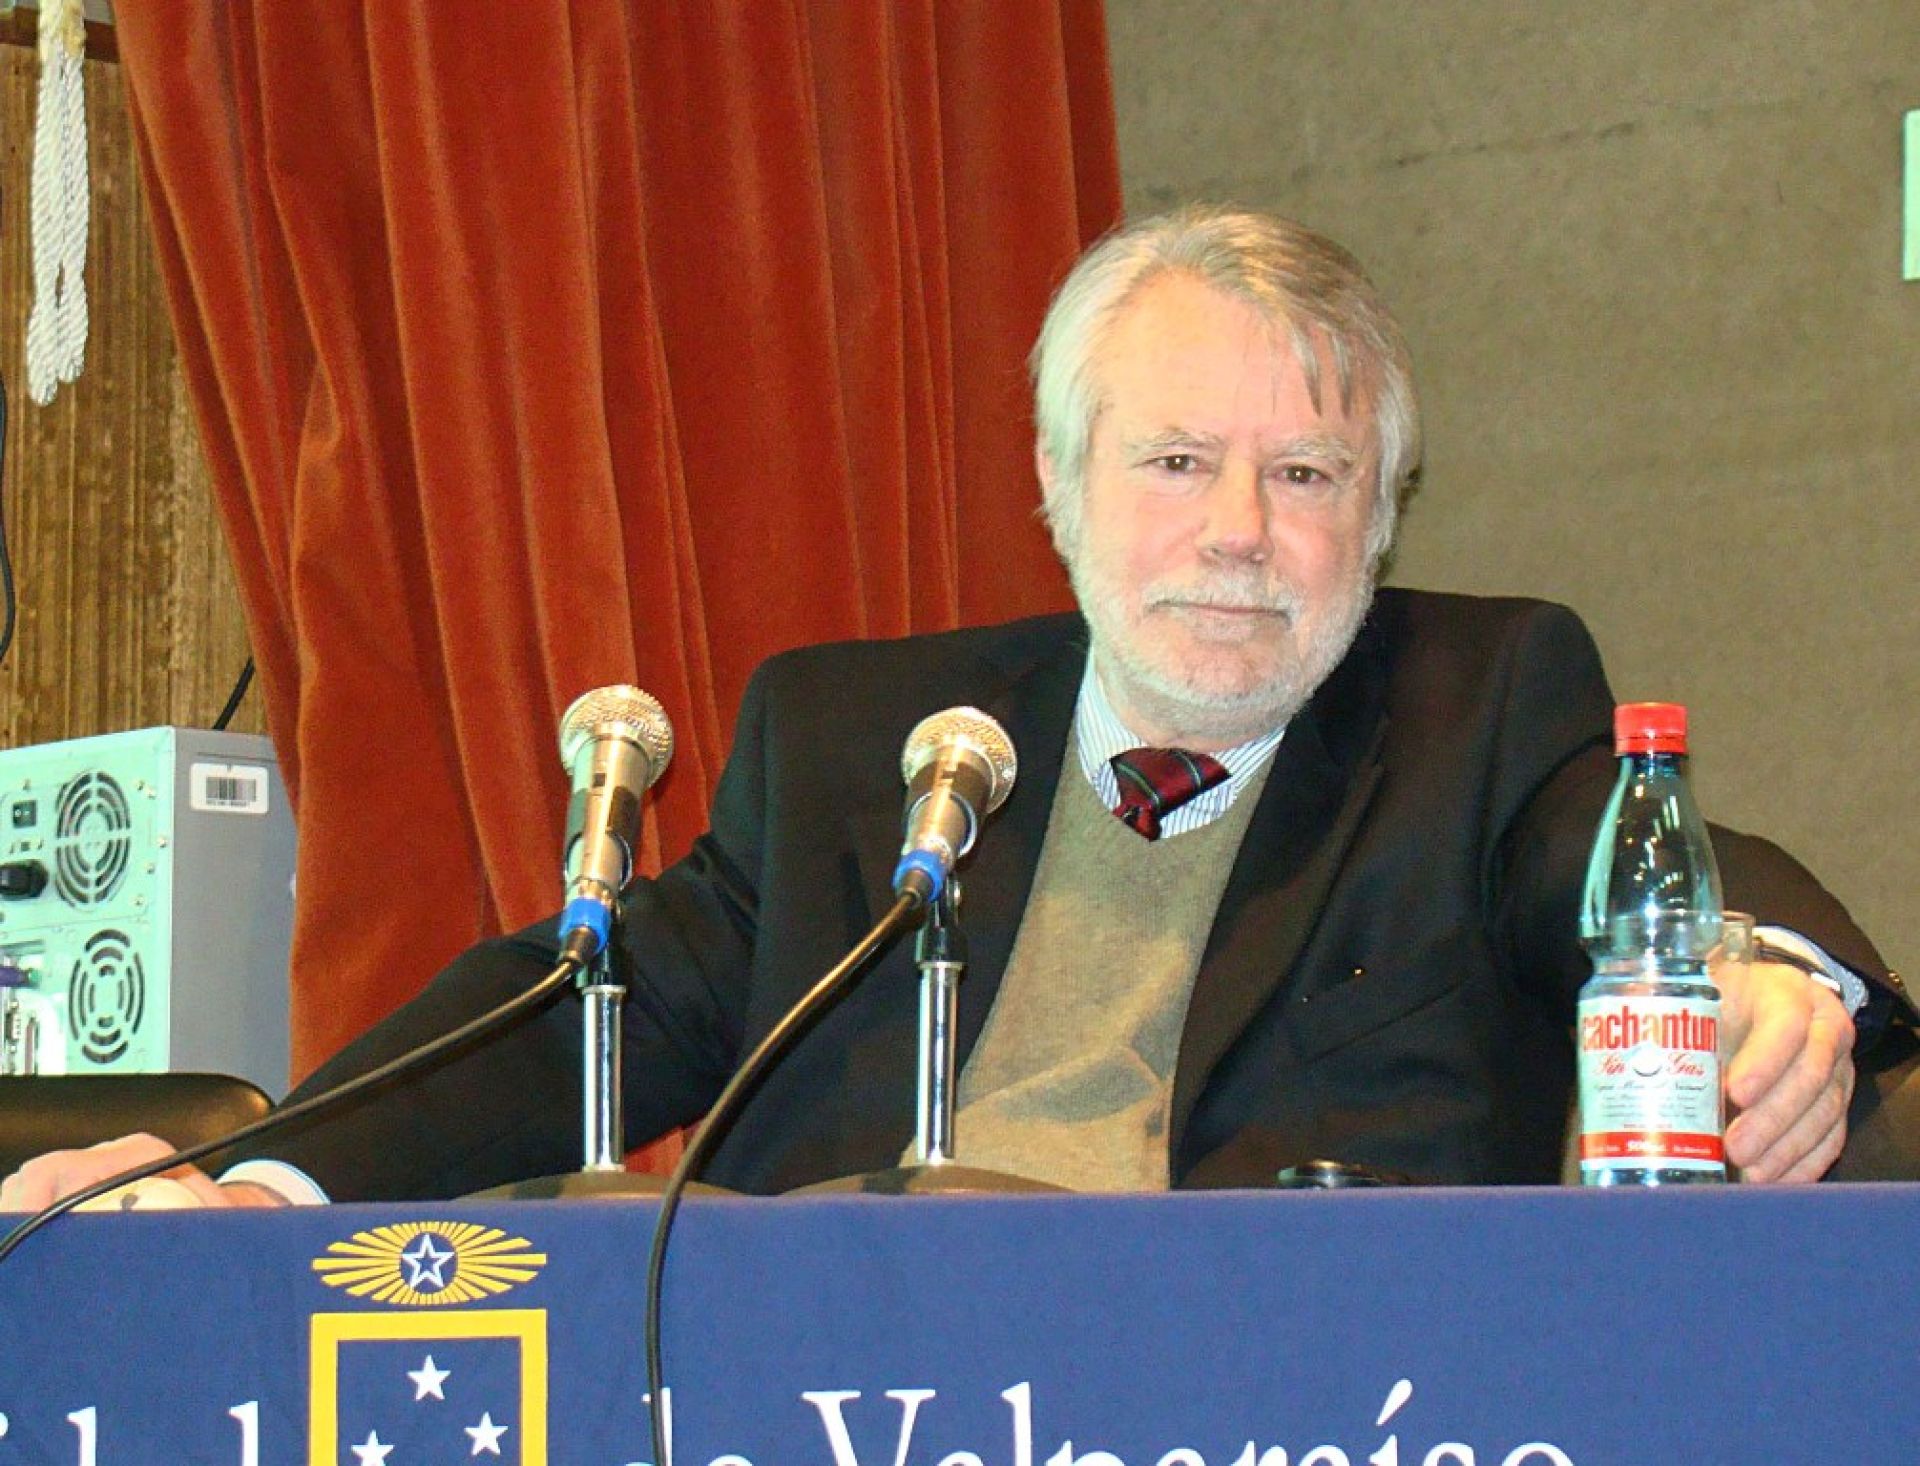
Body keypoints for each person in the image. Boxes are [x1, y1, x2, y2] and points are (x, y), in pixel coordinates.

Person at [4, 206, 1901, 1210]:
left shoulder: (1476, 706)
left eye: (1309, 476)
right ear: (1059, 490)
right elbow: (584, 1001)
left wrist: (1765, 981)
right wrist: (256, 1172)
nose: (1241, 533)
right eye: (1176, 461)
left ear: (1384, 515)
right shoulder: (872, 747)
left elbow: (1638, 854)